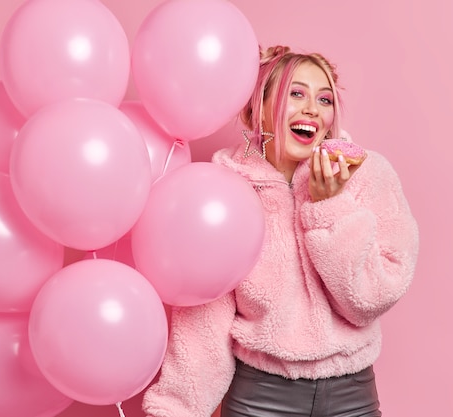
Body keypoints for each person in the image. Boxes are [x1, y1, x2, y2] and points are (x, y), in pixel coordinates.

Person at [142, 45, 419, 417]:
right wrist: (176, 409)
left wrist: (328, 207)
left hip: (351, 395)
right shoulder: (224, 193)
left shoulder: (366, 176)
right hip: (260, 398)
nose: (312, 110)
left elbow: (367, 301)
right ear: (255, 108)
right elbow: (203, 324)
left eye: (325, 99)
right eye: (296, 93)